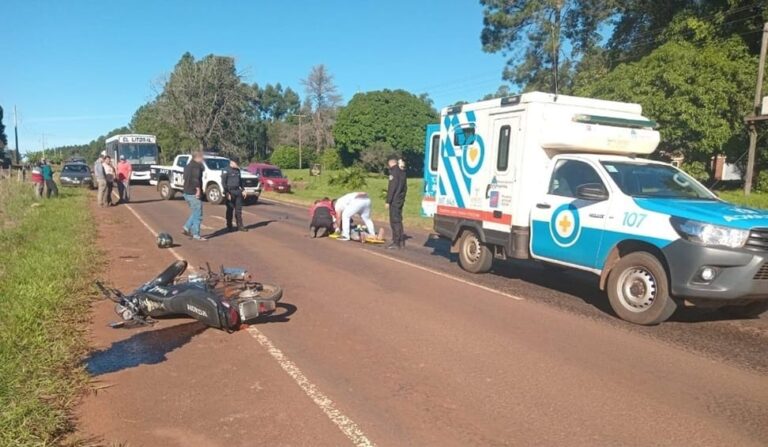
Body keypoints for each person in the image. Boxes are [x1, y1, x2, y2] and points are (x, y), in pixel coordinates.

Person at [182, 151, 206, 241]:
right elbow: (195, 179)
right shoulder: (196, 167)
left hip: (186, 192)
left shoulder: (188, 166)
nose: (203, 159)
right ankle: (196, 234)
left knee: (195, 212)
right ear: (198, 157)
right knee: (198, 214)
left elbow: (185, 178)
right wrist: (198, 190)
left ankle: (186, 227)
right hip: (193, 193)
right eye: (202, 157)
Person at [385, 156, 407, 249]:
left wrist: (388, 201)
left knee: (394, 221)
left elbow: (392, 188)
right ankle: (401, 240)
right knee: (398, 220)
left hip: (394, 200)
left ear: (390, 163)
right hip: (400, 200)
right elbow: (405, 188)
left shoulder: (393, 172)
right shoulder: (402, 172)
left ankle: (396, 242)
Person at [221, 156, 248, 232]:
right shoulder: (226, 170)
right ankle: (229, 226)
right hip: (230, 192)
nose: (237, 165)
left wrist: (243, 190)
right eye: (236, 163)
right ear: (231, 162)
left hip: (237, 192)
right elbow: (223, 183)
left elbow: (240, 181)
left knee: (238, 210)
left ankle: (240, 226)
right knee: (230, 210)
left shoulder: (238, 170)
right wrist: (226, 193)